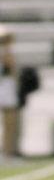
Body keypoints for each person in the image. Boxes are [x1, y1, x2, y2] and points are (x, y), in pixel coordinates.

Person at [0, 27, 19, 159]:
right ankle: (7, 153)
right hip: (5, 88)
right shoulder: (6, 53)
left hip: (5, 87)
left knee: (9, 123)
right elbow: (13, 72)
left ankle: (7, 152)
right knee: (9, 123)